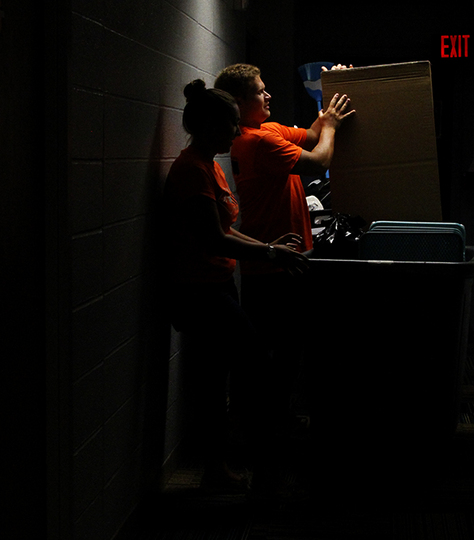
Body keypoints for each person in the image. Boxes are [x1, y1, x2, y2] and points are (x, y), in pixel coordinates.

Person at [163, 79, 308, 490]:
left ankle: (217, 466)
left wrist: (267, 246)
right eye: (230, 124)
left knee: (215, 379)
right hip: (199, 291)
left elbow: (227, 228)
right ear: (210, 126)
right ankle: (261, 467)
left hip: (217, 284)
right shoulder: (192, 170)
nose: (235, 131)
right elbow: (213, 238)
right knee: (254, 365)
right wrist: (269, 254)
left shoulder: (209, 165)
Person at [213, 64, 355, 431]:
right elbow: (320, 158)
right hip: (275, 264)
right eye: (261, 91)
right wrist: (333, 127)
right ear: (242, 102)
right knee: (282, 351)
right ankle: (271, 425)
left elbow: (311, 133)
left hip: (280, 258)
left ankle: (270, 419)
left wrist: (332, 100)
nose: (269, 94)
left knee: (278, 348)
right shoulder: (257, 141)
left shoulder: (266, 131)